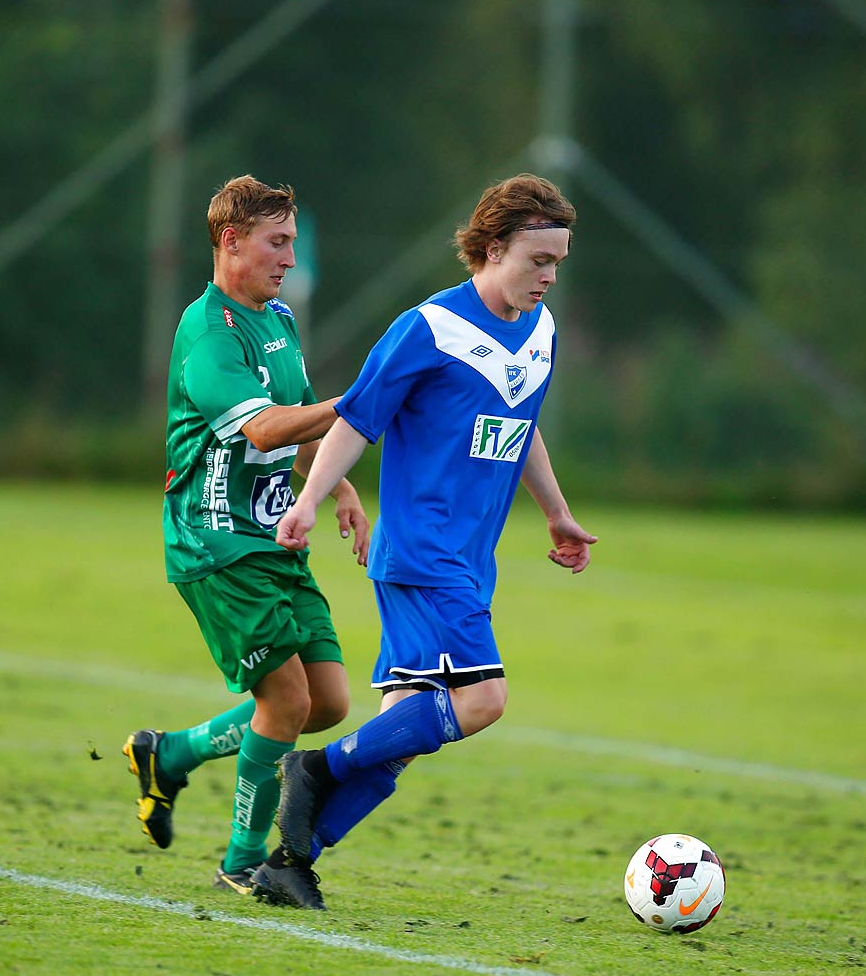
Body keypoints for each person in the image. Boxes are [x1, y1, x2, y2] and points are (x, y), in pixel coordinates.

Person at [250, 173, 597, 909]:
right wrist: (310, 500)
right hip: (421, 553)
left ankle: (288, 861)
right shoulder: (429, 329)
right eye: (538, 259)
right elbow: (356, 422)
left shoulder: (541, 332)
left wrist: (556, 513)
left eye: (558, 262)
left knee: (404, 734)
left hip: (471, 561)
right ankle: (315, 769)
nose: (549, 276)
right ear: (492, 248)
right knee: (483, 701)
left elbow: (519, 426)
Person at [127, 175, 369, 893]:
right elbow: (261, 425)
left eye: (292, 242)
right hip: (215, 541)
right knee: (287, 703)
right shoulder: (207, 332)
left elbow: (290, 424)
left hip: (273, 536)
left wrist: (340, 484)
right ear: (231, 241)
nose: (291, 258)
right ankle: (242, 860)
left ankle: (171, 756)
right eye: (279, 242)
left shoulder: (281, 321)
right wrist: (359, 403)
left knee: (326, 702)